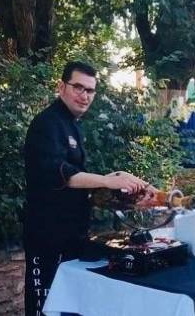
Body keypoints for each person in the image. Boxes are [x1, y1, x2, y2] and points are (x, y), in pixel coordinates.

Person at [22, 61, 156, 316]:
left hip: (73, 234)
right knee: (44, 306)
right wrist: (107, 181)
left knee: (69, 304)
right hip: (46, 237)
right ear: (61, 86)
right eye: (78, 87)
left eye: (90, 90)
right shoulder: (46, 124)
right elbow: (59, 175)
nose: (85, 96)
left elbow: (82, 187)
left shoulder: (73, 125)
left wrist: (126, 195)